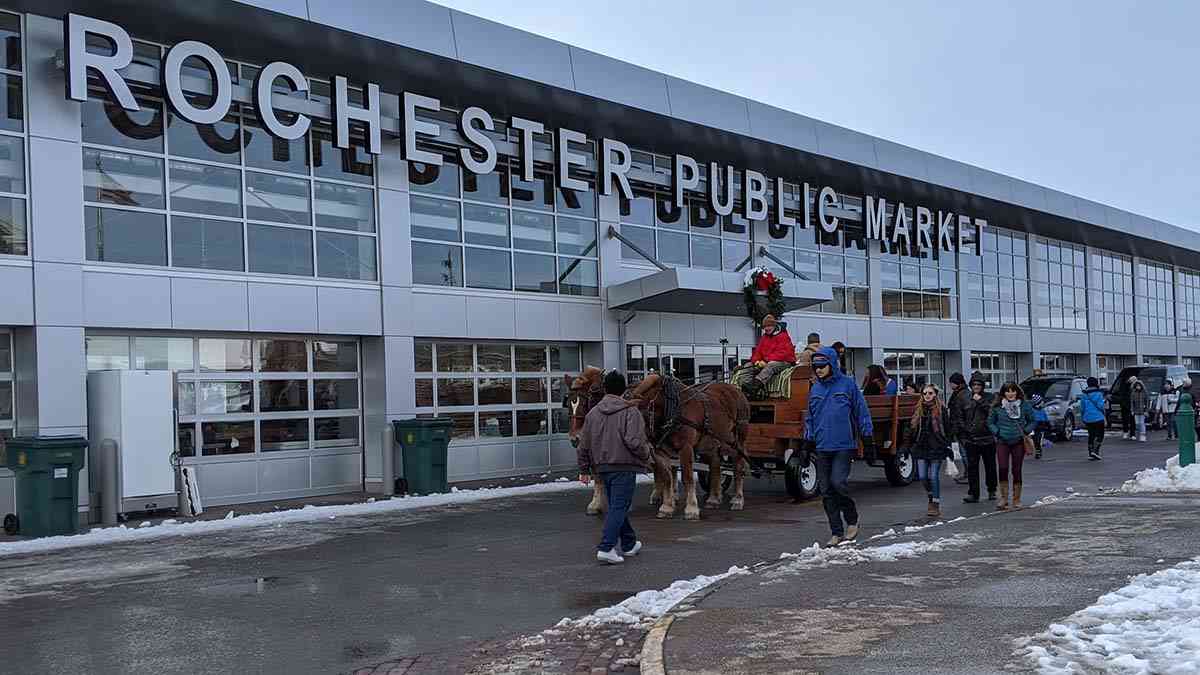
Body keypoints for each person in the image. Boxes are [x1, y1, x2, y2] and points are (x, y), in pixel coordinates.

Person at [576, 370, 651, 565]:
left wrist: (584, 469)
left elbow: (584, 443)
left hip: (602, 467)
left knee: (617, 505)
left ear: (605, 389)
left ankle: (629, 543)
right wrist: (646, 455)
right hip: (624, 466)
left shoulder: (593, 413)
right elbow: (634, 441)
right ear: (624, 389)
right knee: (619, 506)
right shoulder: (630, 411)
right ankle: (607, 547)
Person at [803, 347, 875, 546]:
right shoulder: (815, 389)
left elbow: (862, 412)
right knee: (825, 489)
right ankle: (836, 532)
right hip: (822, 446)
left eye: (822, 366)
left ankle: (852, 519)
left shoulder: (848, 385)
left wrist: (868, 439)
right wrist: (807, 444)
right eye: (815, 366)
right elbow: (810, 417)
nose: (818, 370)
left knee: (838, 483)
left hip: (844, 445)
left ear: (832, 364)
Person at [987, 382, 1036, 510]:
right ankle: (1003, 498)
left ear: (1017, 392)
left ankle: (1016, 499)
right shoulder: (997, 406)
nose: (1010, 393)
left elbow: (1033, 420)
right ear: (1003, 393)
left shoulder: (1024, 405)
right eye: (1007, 391)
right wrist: (997, 432)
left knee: (1016, 470)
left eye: (1013, 391)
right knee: (1002, 468)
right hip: (1002, 441)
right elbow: (990, 422)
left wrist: (1026, 431)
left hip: (1018, 441)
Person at [906, 384, 952, 518]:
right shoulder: (918, 409)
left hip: (937, 446)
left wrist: (948, 445)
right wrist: (907, 443)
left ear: (935, 394)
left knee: (933, 476)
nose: (927, 395)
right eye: (925, 393)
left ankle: (935, 504)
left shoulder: (941, 410)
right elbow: (912, 427)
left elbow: (948, 429)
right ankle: (931, 495)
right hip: (921, 446)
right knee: (922, 476)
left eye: (930, 393)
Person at [953, 371, 998, 503]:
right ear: (971, 385)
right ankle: (973, 493)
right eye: (974, 384)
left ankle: (992, 490)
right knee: (972, 468)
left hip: (987, 438)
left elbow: (992, 413)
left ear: (983, 385)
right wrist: (964, 431)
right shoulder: (964, 398)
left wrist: (981, 401)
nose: (976, 386)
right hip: (970, 439)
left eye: (979, 384)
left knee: (990, 466)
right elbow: (958, 415)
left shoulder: (990, 397)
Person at [742, 314, 796, 398]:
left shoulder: (783, 336)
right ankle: (745, 388)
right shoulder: (764, 337)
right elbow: (757, 352)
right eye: (765, 326)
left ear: (774, 326)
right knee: (748, 365)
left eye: (769, 326)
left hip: (785, 362)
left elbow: (783, 353)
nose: (766, 328)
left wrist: (766, 361)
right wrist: (756, 361)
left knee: (771, 365)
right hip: (766, 361)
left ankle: (755, 387)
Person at [946, 372, 969, 482]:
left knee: (965, 453)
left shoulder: (962, 394)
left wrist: (960, 427)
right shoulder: (959, 393)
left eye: (951, 383)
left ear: (957, 383)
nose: (950, 385)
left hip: (962, 429)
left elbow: (961, 413)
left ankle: (969, 475)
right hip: (960, 428)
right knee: (964, 452)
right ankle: (968, 474)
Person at [1079, 377, 1107, 461]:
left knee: (1091, 435)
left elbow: (1082, 408)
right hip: (1098, 418)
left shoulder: (1084, 394)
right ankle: (1095, 451)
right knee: (1100, 435)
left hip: (1088, 418)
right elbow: (1101, 406)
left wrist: (1083, 416)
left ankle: (1091, 453)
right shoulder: (1098, 394)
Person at [1029, 393, 1050, 459]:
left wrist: (1048, 424)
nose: (1043, 402)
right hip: (1034, 427)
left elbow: (1046, 418)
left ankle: (1038, 451)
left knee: (1039, 439)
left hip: (1041, 427)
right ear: (1038, 403)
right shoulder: (1032, 410)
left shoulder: (1042, 410)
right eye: (1041, 401)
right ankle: (1037, 450)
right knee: (1035, 439)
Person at [1129, 377, 1150, 443]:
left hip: (1143, 410)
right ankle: (1140, 433)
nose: (1138, 387)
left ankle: (1143, 435)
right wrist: (1132, 410)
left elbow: (1147, 402)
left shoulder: (1144, 392)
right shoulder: (1133, 393)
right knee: (1137, 424)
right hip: (1136, 410)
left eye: (1139, 385)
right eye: (1137, 386)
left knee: (1142, 423)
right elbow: (1132, 402)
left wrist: (1146, 410)